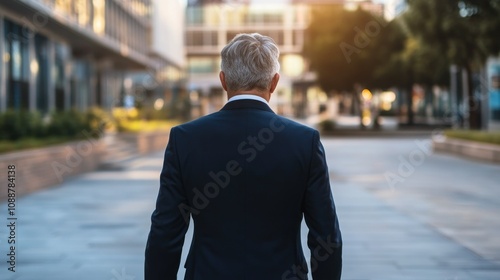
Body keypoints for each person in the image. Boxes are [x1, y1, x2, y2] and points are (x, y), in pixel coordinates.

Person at [145, 33, 342, 280]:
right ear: (274, 82)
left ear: (223, 81)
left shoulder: (185, 139)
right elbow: (326, 236)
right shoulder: (304, 141)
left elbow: (165, 233)